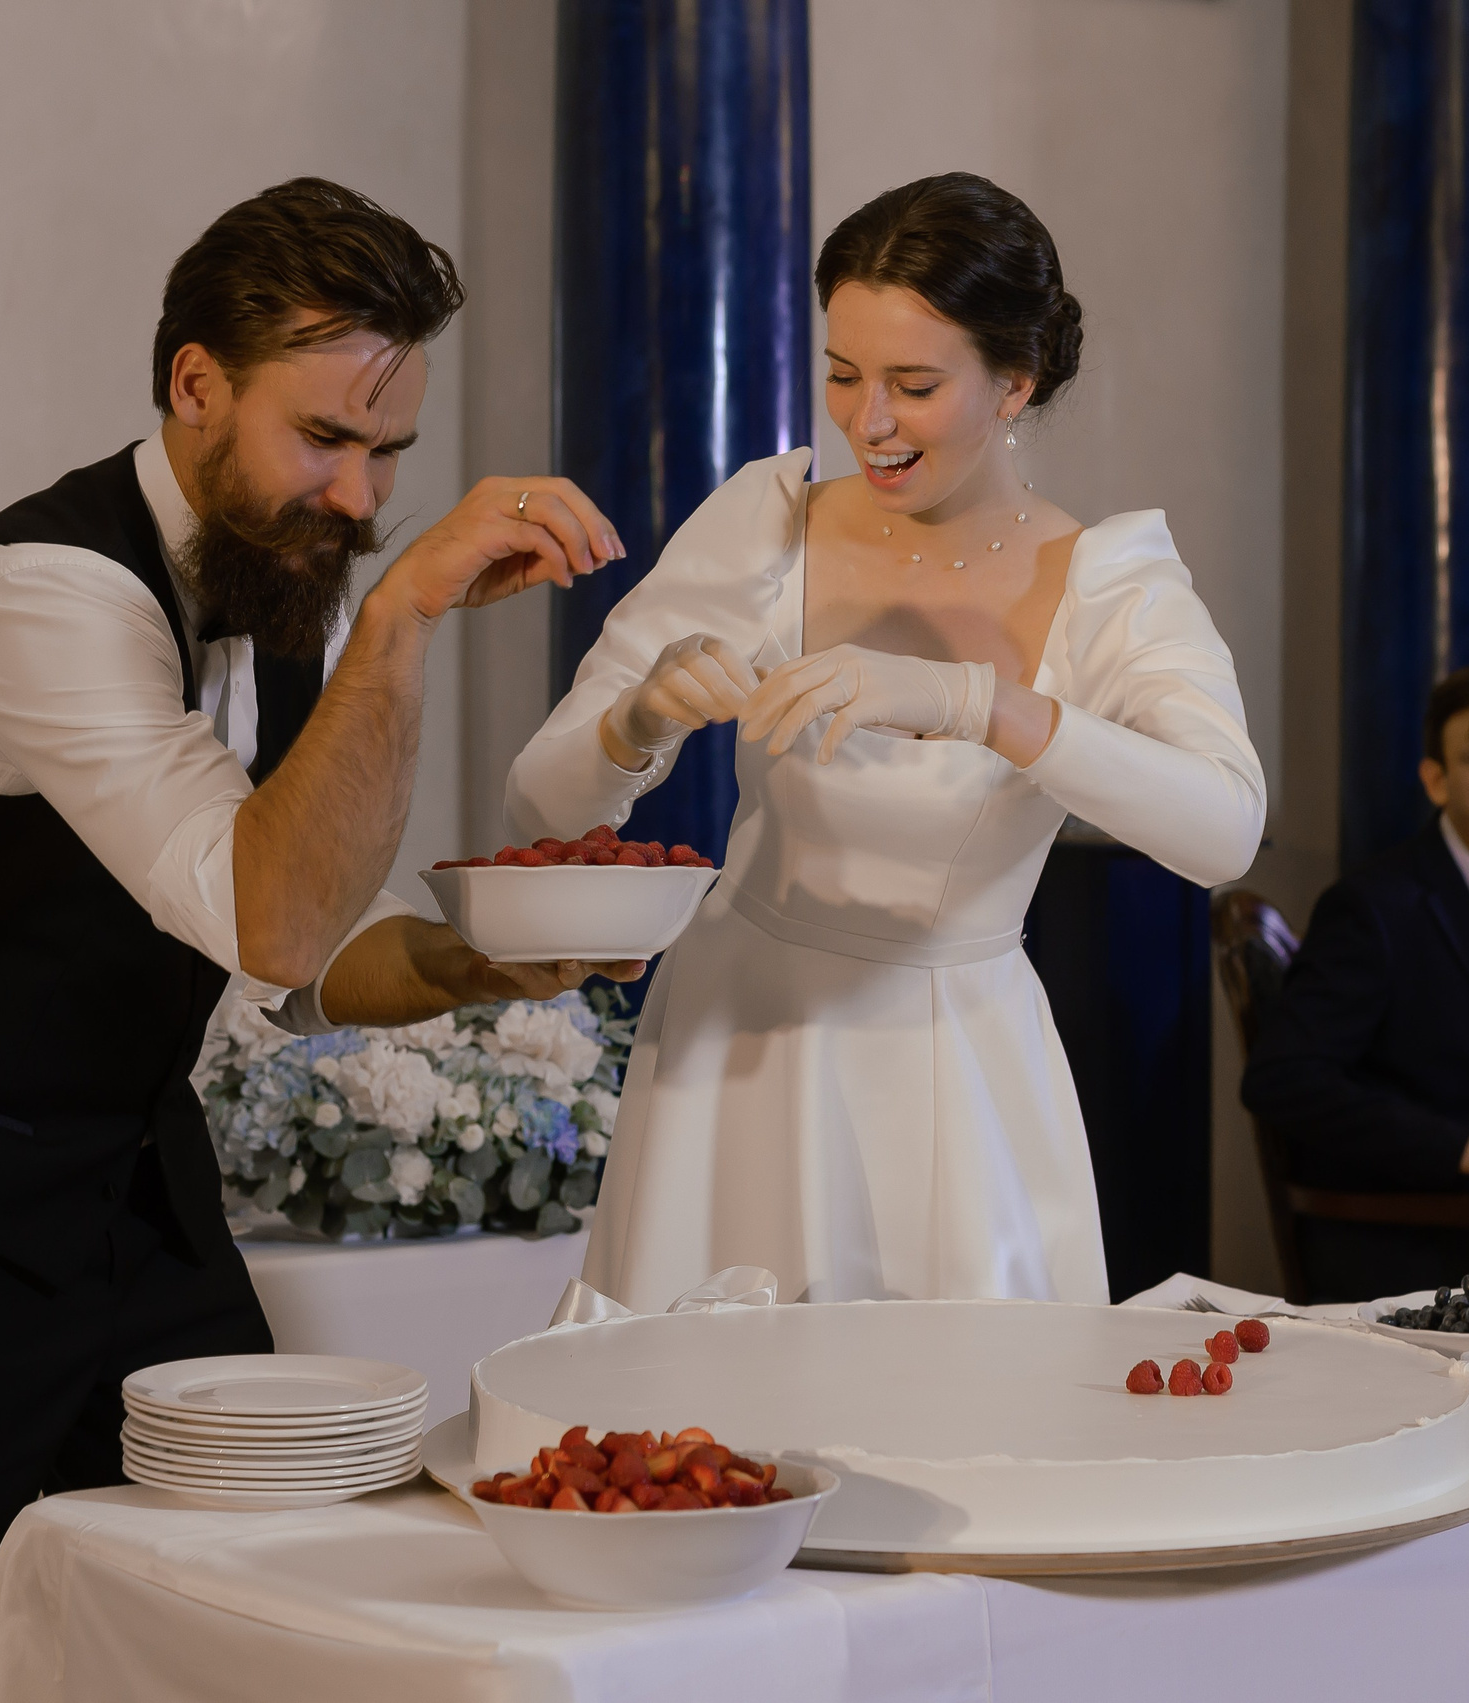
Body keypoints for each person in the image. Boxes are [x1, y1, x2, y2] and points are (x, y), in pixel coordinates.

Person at [0, 178, 633, 1701]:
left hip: (133, 1192)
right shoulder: (41, 592)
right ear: (191, 384)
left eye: (388, 456)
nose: (363, 500)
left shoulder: (271, 577)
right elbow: (269, 901)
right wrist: (405, 617)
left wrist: (483, 961)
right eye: (326, 439)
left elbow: (300, 956)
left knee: (245, 1593)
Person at [507, 172, 1266, 1313]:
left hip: (951, 1071)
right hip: (736, 1046)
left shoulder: (1105, 583)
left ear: (1013, 382)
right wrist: (638, 716)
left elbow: (1225, 829)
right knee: (699, 1442)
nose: (865, 422)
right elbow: (539, 810)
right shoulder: (765, 522)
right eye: (841, 375)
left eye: (913, 385)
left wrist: (979, 704)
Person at [1241, 669, 1469, 1301]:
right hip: (1420, 1238)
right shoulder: (1374, 908)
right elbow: (1284, 1080)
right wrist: (1457, 1150)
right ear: (1436, 780)